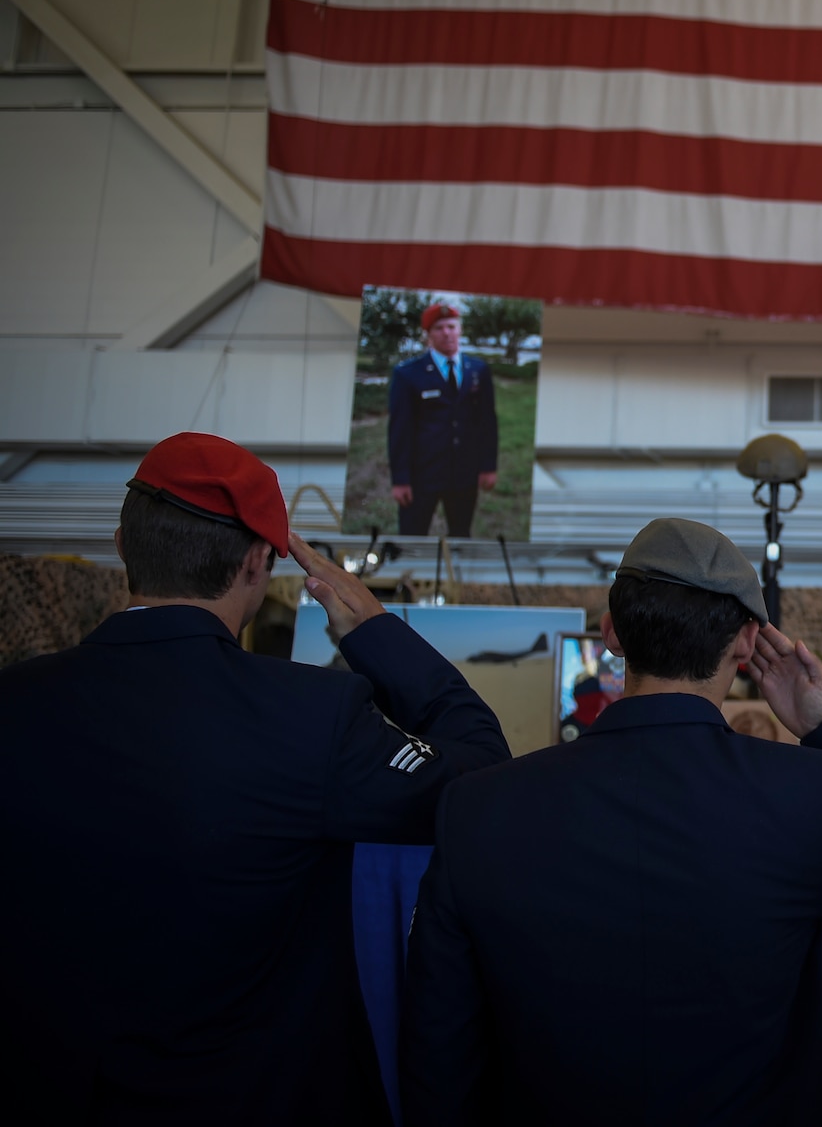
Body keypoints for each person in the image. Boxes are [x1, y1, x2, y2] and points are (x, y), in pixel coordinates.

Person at [0, 432, 509, 1125]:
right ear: (257, 561)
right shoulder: (313, 717)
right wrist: (376, 631)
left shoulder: (16, 703)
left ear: (121, 544)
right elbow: (479, 776)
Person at [401, 518, 822, 1125]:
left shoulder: (480, 807)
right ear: (747, 643)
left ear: (611, 631)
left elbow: (438, 1050)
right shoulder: (806, 792)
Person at [388, 302, 499, 538]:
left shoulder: (478, 370)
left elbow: (487, 422)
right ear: (428, 334)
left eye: (451, 326)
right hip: (422, 474)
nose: (446, 332)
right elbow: (400, 429)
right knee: (412, 536)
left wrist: (488, 466)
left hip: (464, 473)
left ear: (460, 330)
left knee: (461, 534)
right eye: (439, 328)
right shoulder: (408, 374)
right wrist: (400, 479)